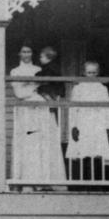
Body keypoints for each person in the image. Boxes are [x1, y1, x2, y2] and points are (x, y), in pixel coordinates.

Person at [11, 44, 65, 188]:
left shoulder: (39, 70)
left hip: (42, 108)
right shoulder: (15, 71)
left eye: (29, 51)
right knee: (29, 144)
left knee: (45, 142)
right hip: (26, 110)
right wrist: (35, 87)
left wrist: (33, 86)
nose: (26, 54)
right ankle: (27, 181)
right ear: (19, 54)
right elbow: (19, 93)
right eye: (23, 51)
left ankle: (46, 181)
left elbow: (48, 87)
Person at [66, 61, 109, 183]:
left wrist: (108, 127)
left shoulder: (103, 88)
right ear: (84, 73)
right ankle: (83, 182)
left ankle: (96, 183)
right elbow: (73, 108)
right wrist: (74, 126)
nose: (91, 75)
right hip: (83, 121)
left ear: (98, 73)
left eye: (94, 72)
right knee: (83, 151)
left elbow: (107, 109)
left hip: (98, 122)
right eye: (89, 72)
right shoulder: (78, 88)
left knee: (97, 152)